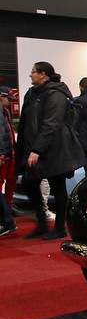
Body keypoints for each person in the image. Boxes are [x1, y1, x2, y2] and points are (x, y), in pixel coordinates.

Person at [15, 61, 84, 239]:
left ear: (43, 74)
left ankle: (60, 227)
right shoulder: (32, 93)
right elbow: (25, 123)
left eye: (33, 72)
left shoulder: (56, 94)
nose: (30, 75)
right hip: (34, 148)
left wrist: (37, 149)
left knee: (58, 187)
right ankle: (42, 224)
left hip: (55, 149)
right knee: (30, 184)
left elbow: (51, 124)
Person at [0, 88, 22, 217]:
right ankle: (5, 211)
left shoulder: (5, 112)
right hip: (4, 154)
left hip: (9, 153)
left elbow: (8, 132)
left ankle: (8, 205)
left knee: (11, 178)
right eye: (8, 99)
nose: (9, 102)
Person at [0, 98, 17, 235]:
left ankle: (7, 221)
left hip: (5, 155)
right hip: (6, 154)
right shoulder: (3, 112)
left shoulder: (3, 112)